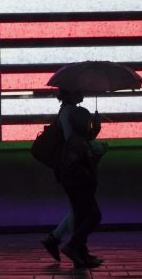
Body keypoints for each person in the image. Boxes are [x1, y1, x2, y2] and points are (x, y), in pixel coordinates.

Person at [41, 89, 104, 268]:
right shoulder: (70, 112)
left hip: (72, 167)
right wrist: (91, 146)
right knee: (84, 213)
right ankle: (74, 248)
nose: (81, 91)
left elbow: (76, 140)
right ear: (69, 93)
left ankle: (68, 246)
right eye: (77, 89)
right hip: (74, 168)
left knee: (78, 211)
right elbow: (72, 140)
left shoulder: (71, 112)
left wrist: (94, 131)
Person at [55, 105, 106, 269]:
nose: (89, 123)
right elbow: (84, 164)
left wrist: (96, 130)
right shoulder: (78, 143)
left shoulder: (77, 140)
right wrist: (98, 154)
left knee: (82, 217)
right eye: (88, 121)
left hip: (77, 185)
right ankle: (73, 247)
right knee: (93, 216)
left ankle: (81, 254)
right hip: (81, 185)